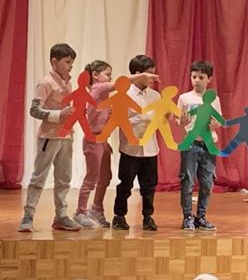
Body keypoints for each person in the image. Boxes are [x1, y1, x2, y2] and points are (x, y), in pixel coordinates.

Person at [74, 60, 158, 228]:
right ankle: (80, 212)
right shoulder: (97, 88)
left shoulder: (104, 97)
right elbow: (120, 83)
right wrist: (141, 76)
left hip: (102, 141)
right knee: (92, 177)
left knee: (106, 177)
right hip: (93, 140)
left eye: (110, 74)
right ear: (95, 75)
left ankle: (97, 209)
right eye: (107, 74)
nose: (110, 78)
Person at [18, 43, 80, 232]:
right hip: (48, 137)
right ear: (54, 61)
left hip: (66, 136)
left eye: (72, 62)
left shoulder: (68, 83)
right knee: (39, 177)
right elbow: (34, 110)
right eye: (67, 62)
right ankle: (28, 216)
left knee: (64, 178)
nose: (71, 66)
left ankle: (61, 216)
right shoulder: (45, 83)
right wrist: (59, 114)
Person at [111, 55, 160, 231]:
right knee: (125, 184)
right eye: (150, 75)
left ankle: (148, 216)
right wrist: (144, 117)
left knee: (149, 185)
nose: (153, 78)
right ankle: (119, 216)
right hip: (130, 148)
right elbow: (120, 119)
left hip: (150, 148)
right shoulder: (123, 94)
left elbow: (159, 118)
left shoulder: (155, 95)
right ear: (138, 74)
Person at [178, 60, 221, 231]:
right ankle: (187, 216)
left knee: (207, 182)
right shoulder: (184, 98)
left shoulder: (214, 99)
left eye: (201, 77)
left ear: (209, 79)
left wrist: (215, 124)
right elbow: (179, 120)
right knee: (187, 181)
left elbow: (219, 121)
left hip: (208, 144)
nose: (196, 80)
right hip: (190, 143)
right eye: (194, 77)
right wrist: (182, 120)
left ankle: (201, 216)